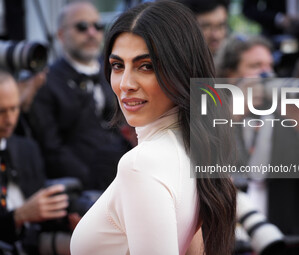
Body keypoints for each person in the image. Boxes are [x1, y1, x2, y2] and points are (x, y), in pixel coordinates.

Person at [70, 1, 236, 255]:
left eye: (145, 66)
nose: (125, 84)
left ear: (182, 69)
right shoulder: (196, 147)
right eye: (117, 66)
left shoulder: (141, 164)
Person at [29, 1, 130, 190]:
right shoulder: (46, 82)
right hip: (85, 188)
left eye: (98, 26)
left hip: (127, 177)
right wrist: (93, 182)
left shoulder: (116, 69)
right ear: (61, 34)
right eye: (81, 27)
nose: (91, 33)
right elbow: (52, 149)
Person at [0, 70, 69, 253]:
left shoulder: (27, 148)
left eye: (14, 108)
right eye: (1, 111)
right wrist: (19, 216)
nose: (9, 119)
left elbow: (40, 208)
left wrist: (65, 218)